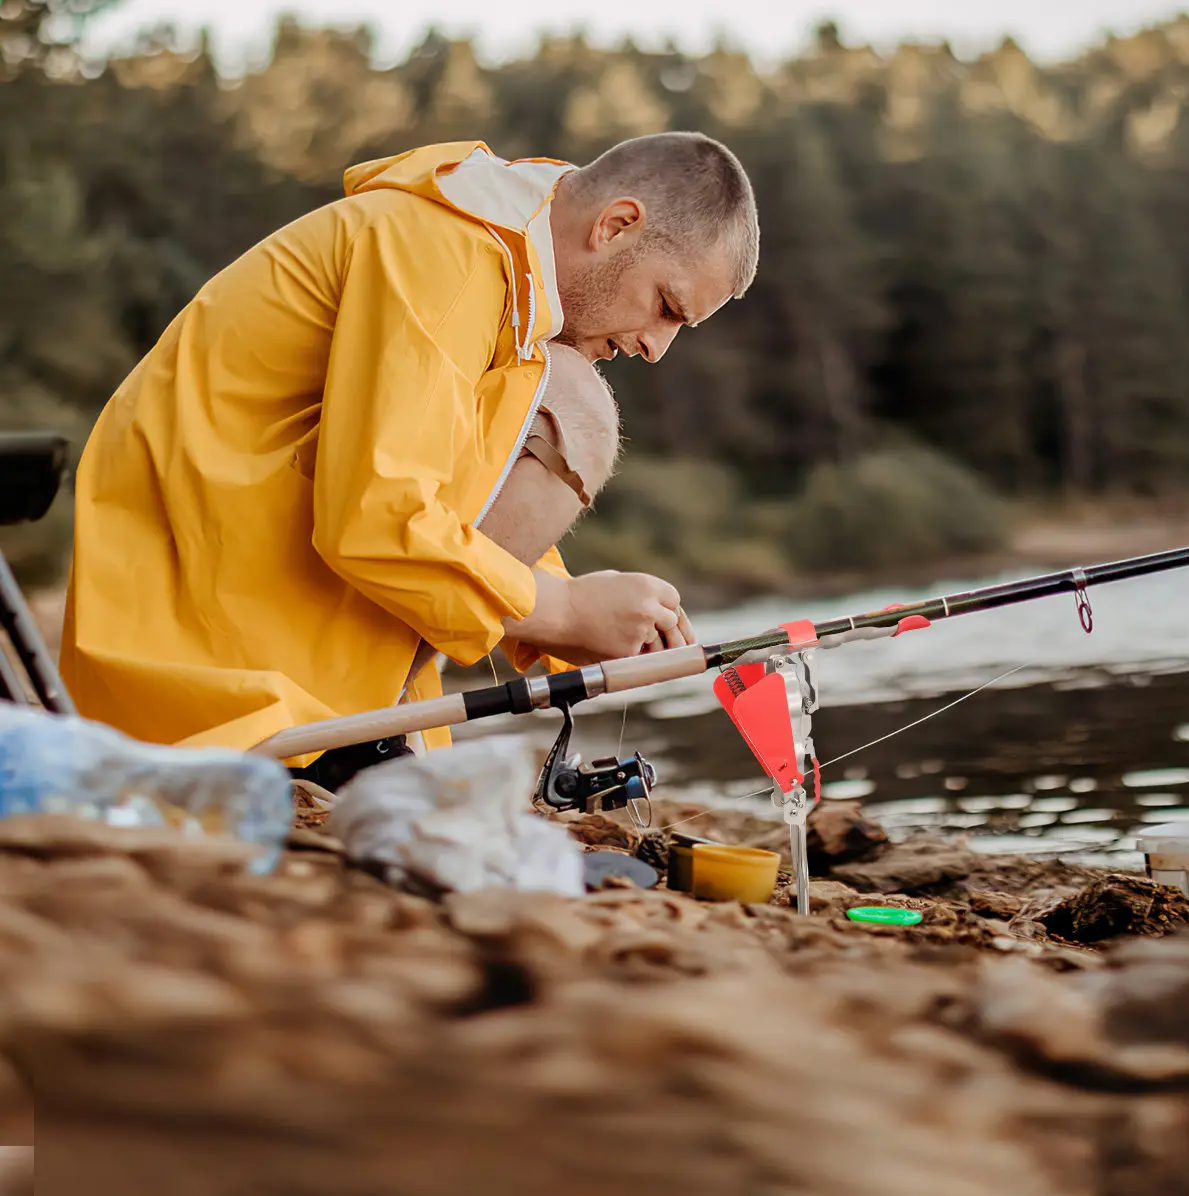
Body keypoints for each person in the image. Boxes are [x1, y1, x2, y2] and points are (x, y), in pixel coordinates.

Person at [59, 133, 759, 773]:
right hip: (207, 672)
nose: (656, 348)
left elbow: (448, 478)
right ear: (615, 226)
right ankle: (344, 739)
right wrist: (563, 609)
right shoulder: (444, 254)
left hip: (245, 615)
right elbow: (376, 518)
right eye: (667, 306)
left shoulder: (490, 258)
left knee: (555, 383)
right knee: (575, 401)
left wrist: (566, 628)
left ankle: (365, 730)